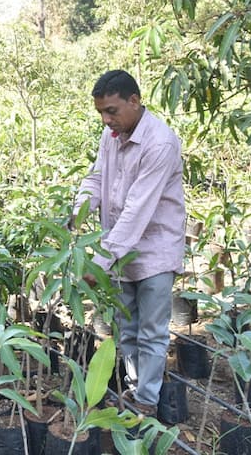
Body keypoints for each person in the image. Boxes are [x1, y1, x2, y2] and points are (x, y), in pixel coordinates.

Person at [73, 69, 186, 416]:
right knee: (127, 329)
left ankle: (147, 403)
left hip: (153, 251)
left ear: (134, 101)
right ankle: (137, 388)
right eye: (101, 114)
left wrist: (100, 262)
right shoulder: (112, 135)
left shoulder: (159, 143)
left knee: (152, 332)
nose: (107, 120)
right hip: (120, 251)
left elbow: (137, 210)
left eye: (112, 111)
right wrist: (75, 214)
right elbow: (95, 178)